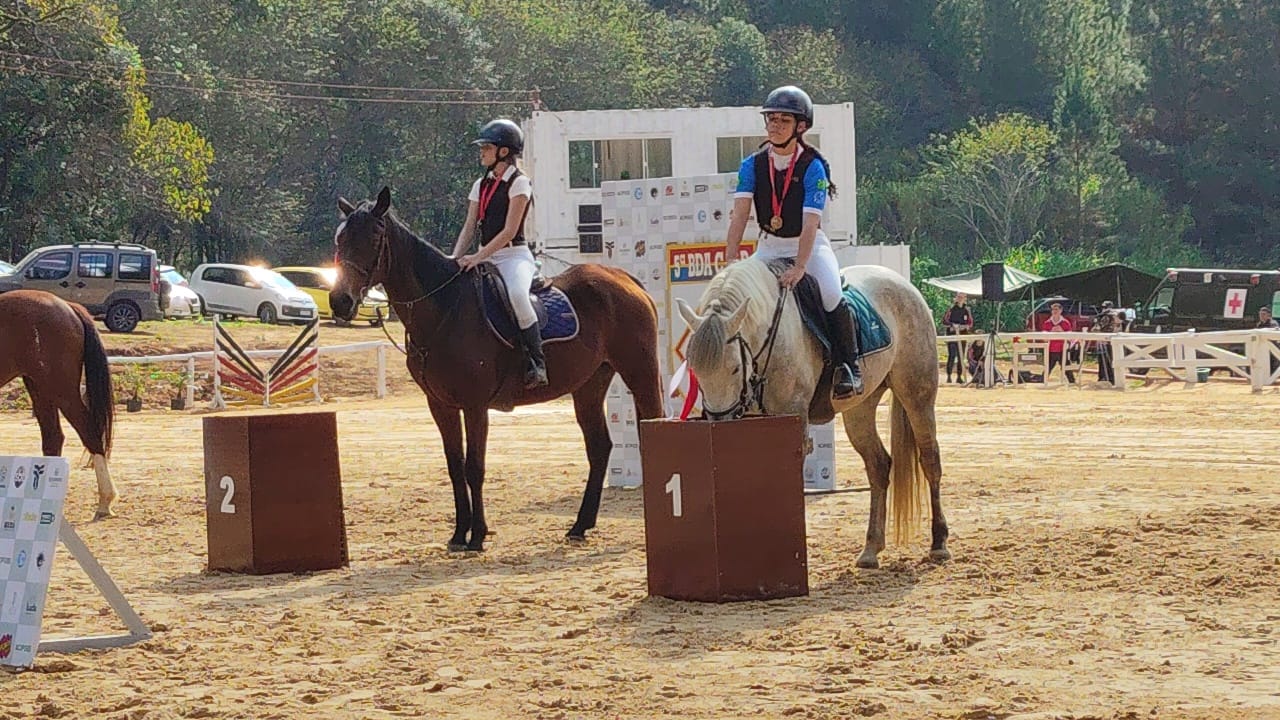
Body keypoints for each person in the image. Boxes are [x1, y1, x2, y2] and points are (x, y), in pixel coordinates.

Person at [724, 85, 862, 397]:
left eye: (783, 121)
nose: (774, 126)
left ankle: (849, 366)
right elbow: (739, 215)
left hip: (808, 246)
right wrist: (731, 260)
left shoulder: (814, 166)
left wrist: (801, 267)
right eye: (770, 119)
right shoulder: (752, 165)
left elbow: (811, 222)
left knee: (829, 292)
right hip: (769, 247)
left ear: (801, 127)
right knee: (740, 297)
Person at [451, 118, 547, 389]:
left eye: (486, 147)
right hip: (485, 255)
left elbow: (508, 231)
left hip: (514, 256)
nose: (481, 152)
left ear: (503, 151)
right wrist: (454, 258)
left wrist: (477, 258)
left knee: (517, 295)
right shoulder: (480, 185)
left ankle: (536, 362)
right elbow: (470, 226)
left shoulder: (519, 183)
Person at [1041, 302, 1076, 384]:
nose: (1054, 311)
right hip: (1050, 349)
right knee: (1047, 368)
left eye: (1056, 309)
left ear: (1061, 310)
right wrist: (1051, 332)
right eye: (1053, 309)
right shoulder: (1047, 323)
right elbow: (1043, 338)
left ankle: (1072, 383)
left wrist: (1062, 332)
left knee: (1067, 368)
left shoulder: (1065, 322)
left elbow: (1071, 338)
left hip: (1062, 349)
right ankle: (1042, 382)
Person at [942, 293, 974, 383]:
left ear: (965, 299)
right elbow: (944, 321)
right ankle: (949, 376)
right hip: (952, 335)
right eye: (958, 297)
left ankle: (959, 376)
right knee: (952, 355)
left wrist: (965, 327)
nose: (960, 299)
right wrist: (952, 325)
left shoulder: (966, 310)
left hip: (962, 335)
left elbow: (970, 322)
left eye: (962, 297)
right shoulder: (951, 309)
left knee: (961, 356)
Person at [1092, 300, 1118, 384]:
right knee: (1105, 360)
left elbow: (1097, 328)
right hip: (1108, 341)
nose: (1104, 309)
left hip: (1105, 341)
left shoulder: (1107, 317)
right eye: (1103, 307)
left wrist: (1096, 321)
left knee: (1106, 361)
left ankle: (1106, 378)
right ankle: (1106, 378)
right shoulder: (1114, 315)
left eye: (1105, 307)